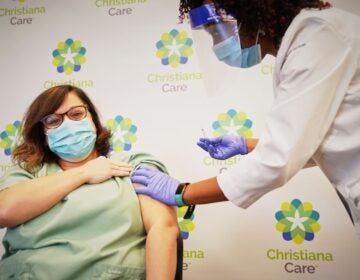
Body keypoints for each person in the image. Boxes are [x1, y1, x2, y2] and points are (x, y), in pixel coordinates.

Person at [131, 0, 360, 238]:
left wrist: (181, 192)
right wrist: (246, 145)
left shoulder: (316, 38)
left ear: (247, 16)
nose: (217, 46)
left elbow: (277, 161)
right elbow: (316, 142)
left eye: (215, 32)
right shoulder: (309, 38)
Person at [0, 85, 179, 279]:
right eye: (53, 120)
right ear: (42, 135)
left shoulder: (132, 165)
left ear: (92, 119)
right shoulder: (27, 174)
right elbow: (4, 212)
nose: (68, 124)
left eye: (76, 114)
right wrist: (85, 172)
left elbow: (163, 227)